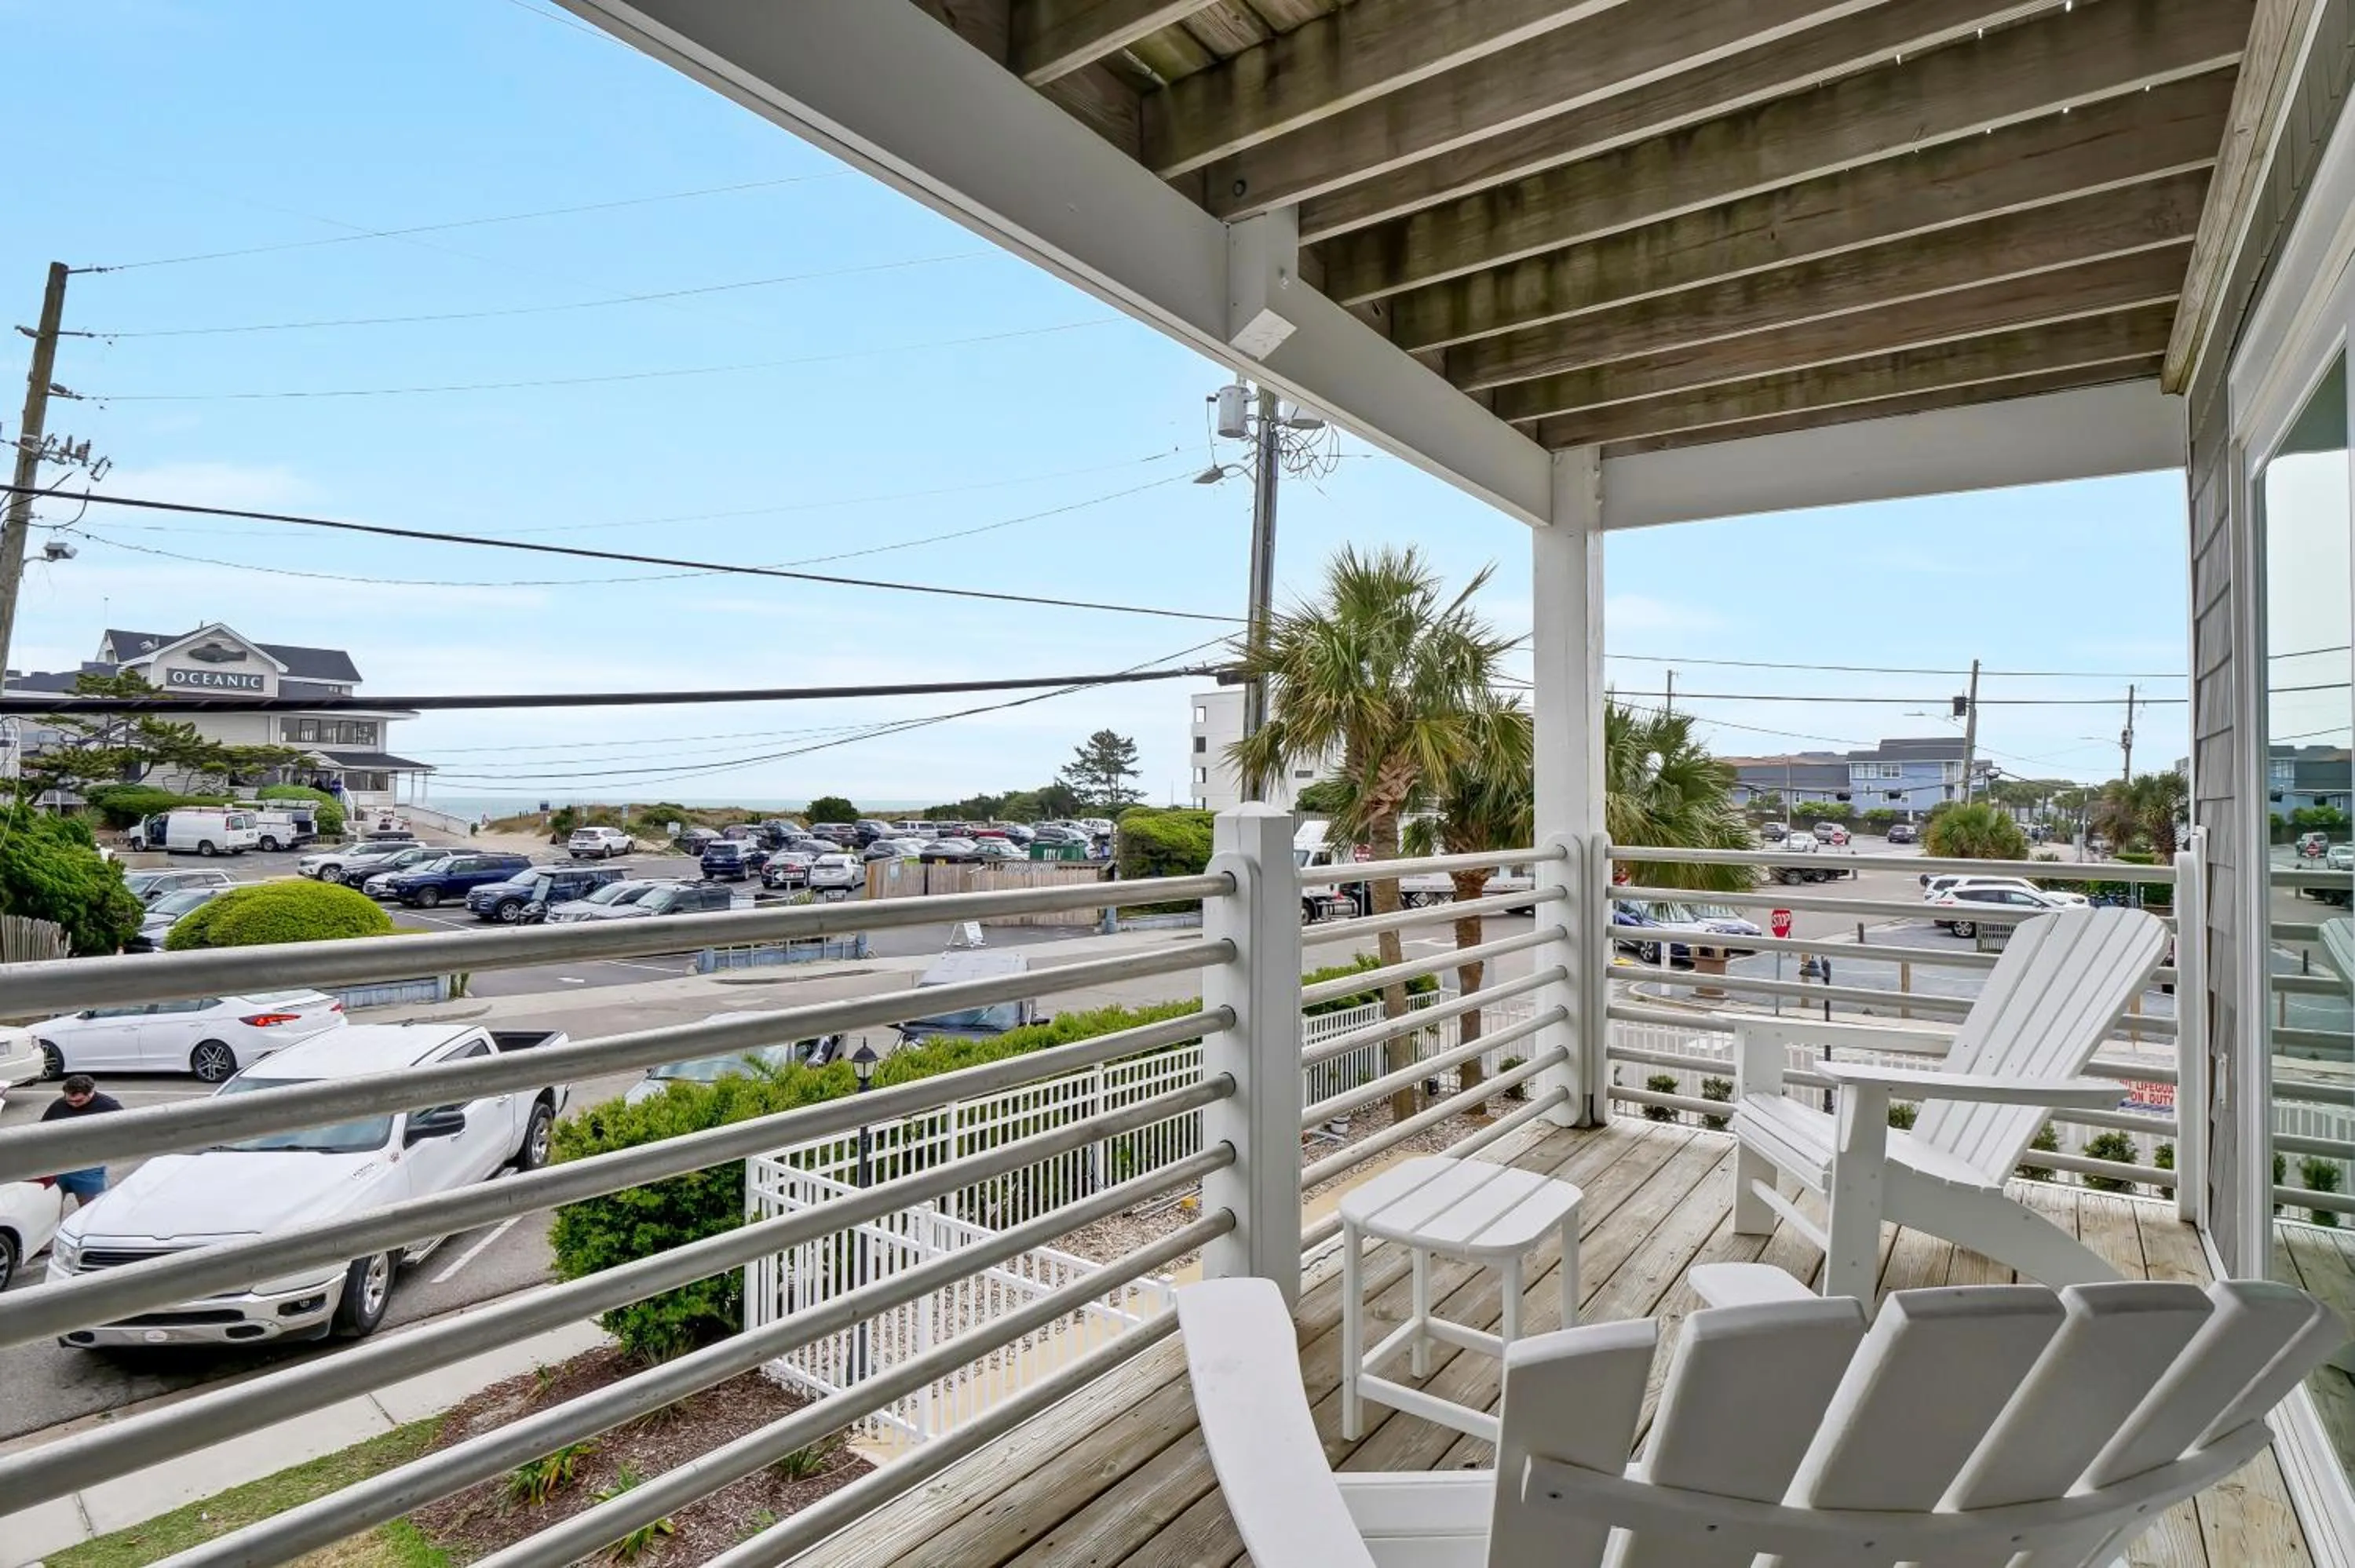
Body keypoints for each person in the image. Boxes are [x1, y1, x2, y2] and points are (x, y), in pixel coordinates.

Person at [41, 1074, 122, 1210]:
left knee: (92, 1211)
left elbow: (125, 1133)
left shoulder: (109, 1106)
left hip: (89, 1167)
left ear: (91, 1093)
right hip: (58, 1166)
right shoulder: (58, 1105)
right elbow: (42, 1131)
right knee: (47, 1210)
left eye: (78, 1101)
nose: (73, 1104)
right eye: (69, 1100)